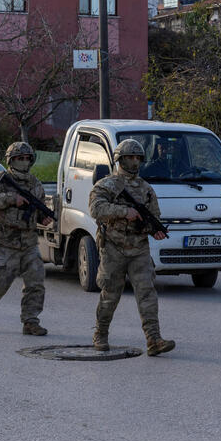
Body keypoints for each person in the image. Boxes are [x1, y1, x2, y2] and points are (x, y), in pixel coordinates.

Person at [89, 139, 175, 357]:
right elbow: (96, 208)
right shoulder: (107, 185)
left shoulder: (146, 189)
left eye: (138, 158)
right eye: (129, 157)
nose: (134, 162)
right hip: (113, 247)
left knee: (147, 293)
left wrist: (152, 228)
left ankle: (154, 339)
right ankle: (100, 334)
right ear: (120, 159)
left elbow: (154, 216)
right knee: (110, 293)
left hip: (139, 248)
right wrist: (123, 212)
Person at [0, 142, 52, 335]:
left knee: (36, 282)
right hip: (4, 242)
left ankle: (30, 321)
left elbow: (39, 208)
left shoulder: (35, 184)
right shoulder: (1, 181)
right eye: (19, 159)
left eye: (27, 159)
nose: (24, 162)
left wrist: (45, 218)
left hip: (29, 242)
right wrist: (10, 199)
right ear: (11, 161)